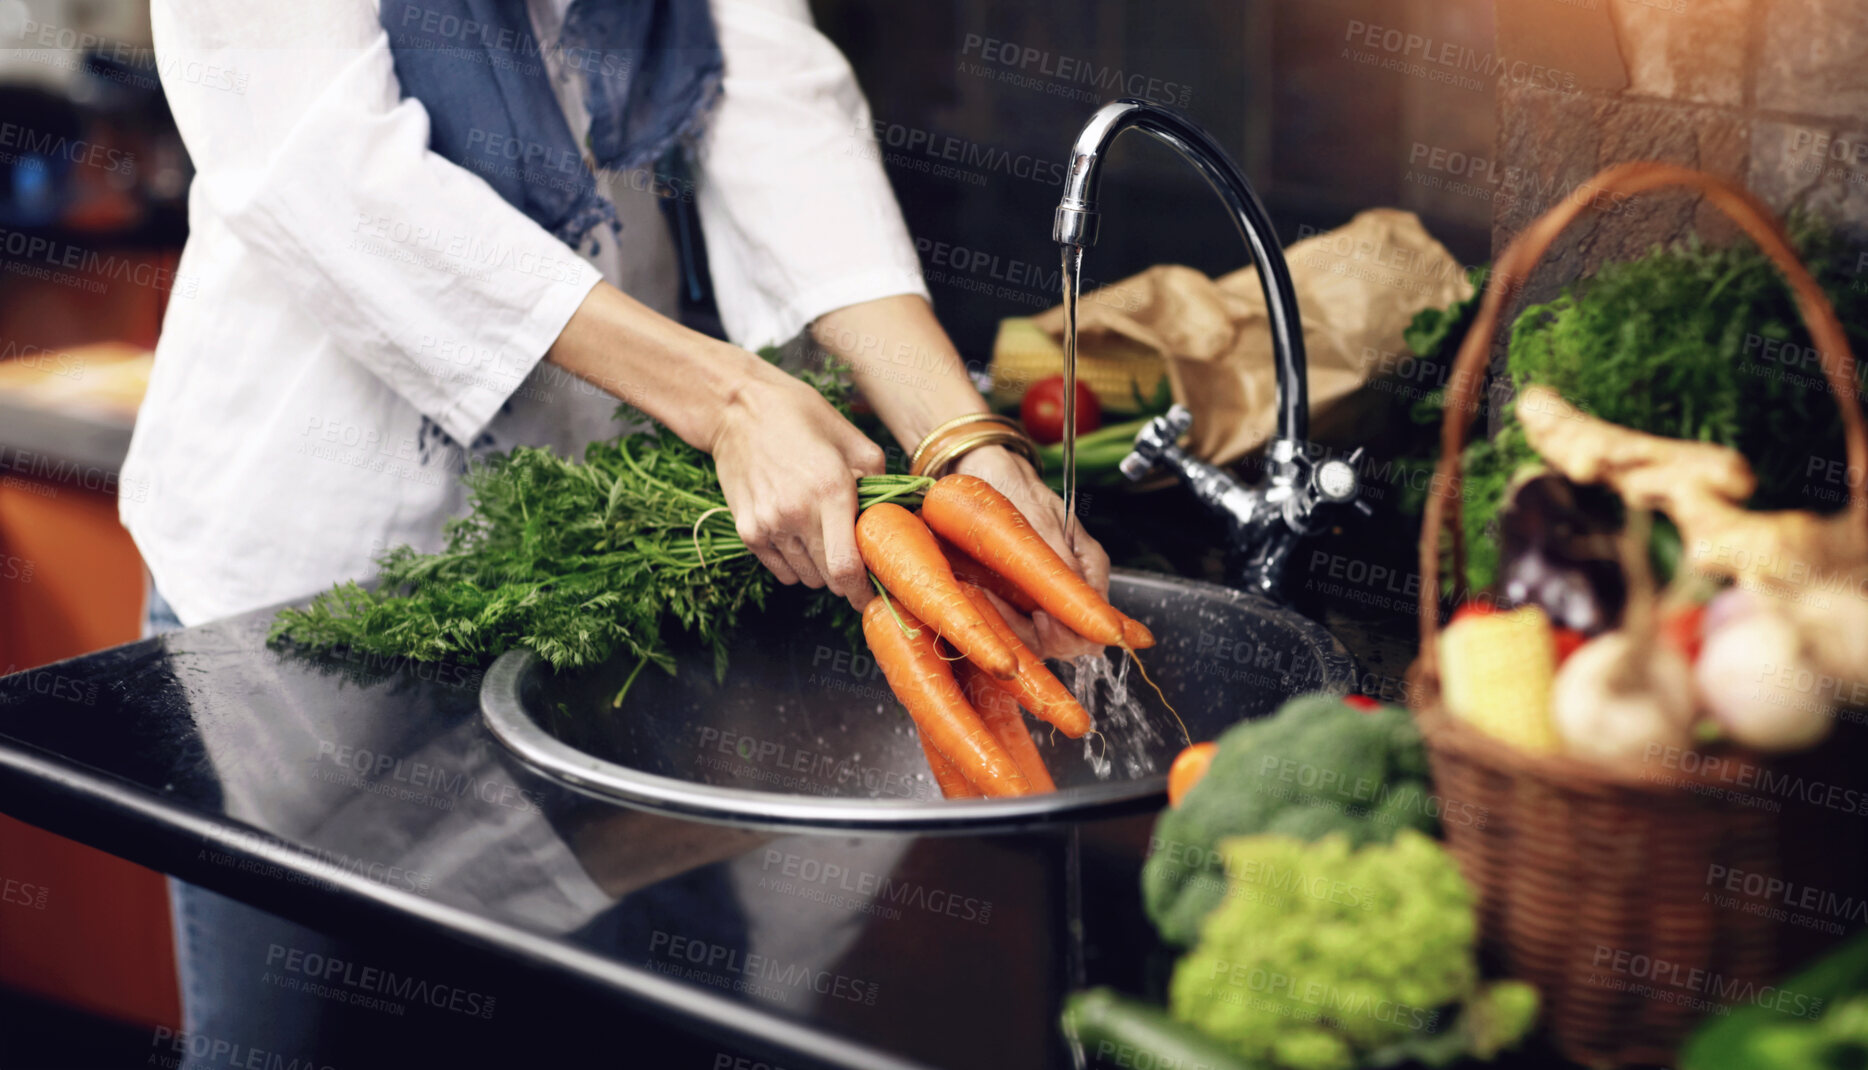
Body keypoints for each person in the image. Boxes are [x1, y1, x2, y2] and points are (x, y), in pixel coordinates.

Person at [125, 0, 1108, 1053]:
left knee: (521, 1021)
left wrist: (960, 440)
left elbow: (776, 105)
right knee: (292, 1033)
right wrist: (726, 399)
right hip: (307, 562)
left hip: (583, 554)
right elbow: (320, 171)